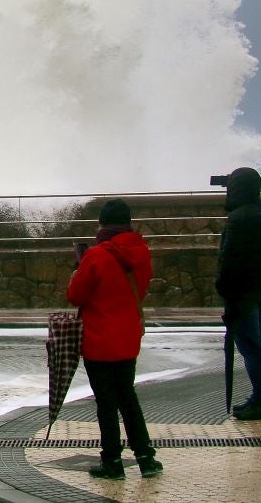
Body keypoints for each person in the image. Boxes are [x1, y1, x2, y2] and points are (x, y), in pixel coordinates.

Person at [66, 198, 163, 480]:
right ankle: (145, 457)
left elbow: (75, 296)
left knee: (106, 404)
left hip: (99, 341)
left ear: (103, 224)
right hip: (128, 337)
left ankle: (112, 461)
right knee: (128, 397)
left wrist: (77, 270)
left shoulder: (96, 256)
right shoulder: (141, 252)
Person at [216, 166, 261, 421]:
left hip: (240, 294)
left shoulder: (239, 219)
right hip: (258, 289)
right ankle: (260, 396)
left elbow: (229, 259)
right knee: (257, 345)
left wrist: (223, 289)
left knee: (250, 346)